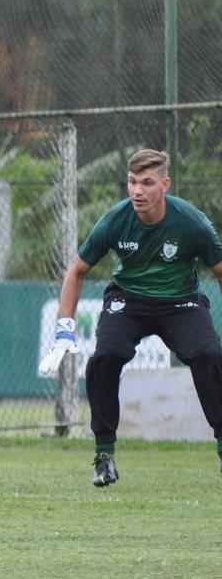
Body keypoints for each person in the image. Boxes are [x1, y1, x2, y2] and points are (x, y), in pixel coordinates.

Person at [40, 148, 222, 486]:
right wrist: (65, 331)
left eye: (147, 183)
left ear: (165, 184)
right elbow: (76, 271)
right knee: (105, 358)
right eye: (132, 182)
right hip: (128, 300)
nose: (137, 191)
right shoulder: (114, 220)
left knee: (209, 355)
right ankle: (104, 455)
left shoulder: (192, 223)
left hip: (180, 301)